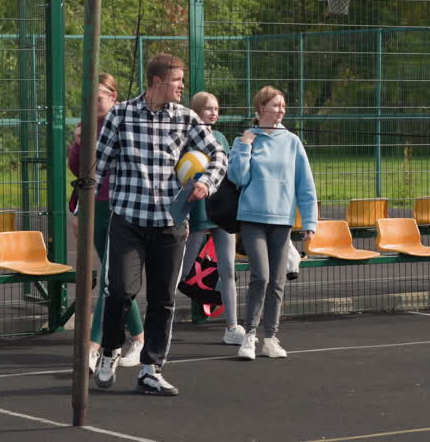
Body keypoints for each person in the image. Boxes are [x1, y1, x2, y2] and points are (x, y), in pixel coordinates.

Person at [91, 53, 228, 396]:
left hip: (169, 225)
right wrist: (81, 199)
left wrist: (206, 183)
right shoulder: (121, 115)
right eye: (177, 80)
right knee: (120, 291)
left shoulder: (186, 118)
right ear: (157, 81)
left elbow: (219, 154)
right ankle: (109, 351)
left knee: (163, 300)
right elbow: (98, 164)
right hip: (128, 221)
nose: (182, 86)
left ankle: (151, 369)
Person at [227, 85, 317, 361]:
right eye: (276, 105)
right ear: (261, 108)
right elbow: (237, 178)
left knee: (278, 281)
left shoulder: (292, 142)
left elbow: (305, 184)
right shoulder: (246, 139)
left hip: (282, 221)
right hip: (252, 218)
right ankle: (250, 337)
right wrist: (244, 146)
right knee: (261, 276)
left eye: (283, 106)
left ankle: (271, 337)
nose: (281, 110)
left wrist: (309, 220)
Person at [67, 73, 145, 372]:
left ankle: (93, 347)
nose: (91, 104)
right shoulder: (87, 126)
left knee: (112, 277)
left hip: (122, 206)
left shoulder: (126, 122)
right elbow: (79, 171)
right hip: (96, 207)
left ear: (113, 96)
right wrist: (77, 143)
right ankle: (138, 338)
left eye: (97, 98)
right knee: (114, 280)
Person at [178, 91, 244, 344]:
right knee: (180, 273)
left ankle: (232, 327)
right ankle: (160, 324)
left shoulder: (219, 139)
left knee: (227, 270)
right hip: (195, 212)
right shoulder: (185, 139)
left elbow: (226, 175)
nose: (214, 113)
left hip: (220, 213)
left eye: (216, 109)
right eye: (208, 109)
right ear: (195, 111)